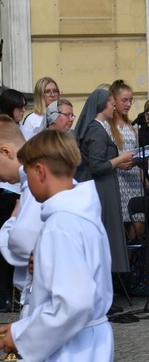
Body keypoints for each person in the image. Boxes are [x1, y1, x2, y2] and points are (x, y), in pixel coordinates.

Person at [0, 130, 114, 361]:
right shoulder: (82, 214)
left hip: (72, 348)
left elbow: (73, 304)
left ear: (40, 171)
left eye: (28, 174)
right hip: (89, 340)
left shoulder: (60, 225)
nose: (27, 184)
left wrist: (21, 336)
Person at [76, 88, 135, 274]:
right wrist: (120, 158)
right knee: (104, 234)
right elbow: (97, 166)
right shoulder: (96, 130)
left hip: (105, 186)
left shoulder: (100, 128)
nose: (113, 106)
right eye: (111, 103)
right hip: (100, 188)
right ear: (102, 106)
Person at [0, 116, 39, 308]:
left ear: (6, 151)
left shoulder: (35, 184)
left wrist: (12, 220)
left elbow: (21, 246)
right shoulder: (31, 182)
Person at [108, 80, 143, 241]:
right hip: (118, 178)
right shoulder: (107, 126)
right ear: (113, 100)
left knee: (139, 220)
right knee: (120, 223)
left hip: (134, 177)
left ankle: (131, 261)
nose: (128, 104)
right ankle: (123, 262)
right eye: (124, 100)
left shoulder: (132, 126)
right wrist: (118, 163)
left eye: (130, 100)